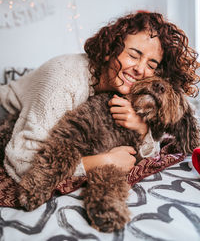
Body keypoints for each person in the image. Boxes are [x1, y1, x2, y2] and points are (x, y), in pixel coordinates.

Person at [0, 11, 199, 183]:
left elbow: (147, 152)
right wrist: (103, 161)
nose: (140, 69)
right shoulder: (66, 79)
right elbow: (22, 162)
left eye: (151, 65)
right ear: (110, 50)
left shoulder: (128, 91)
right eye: (133, 55)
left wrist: (141, 128)